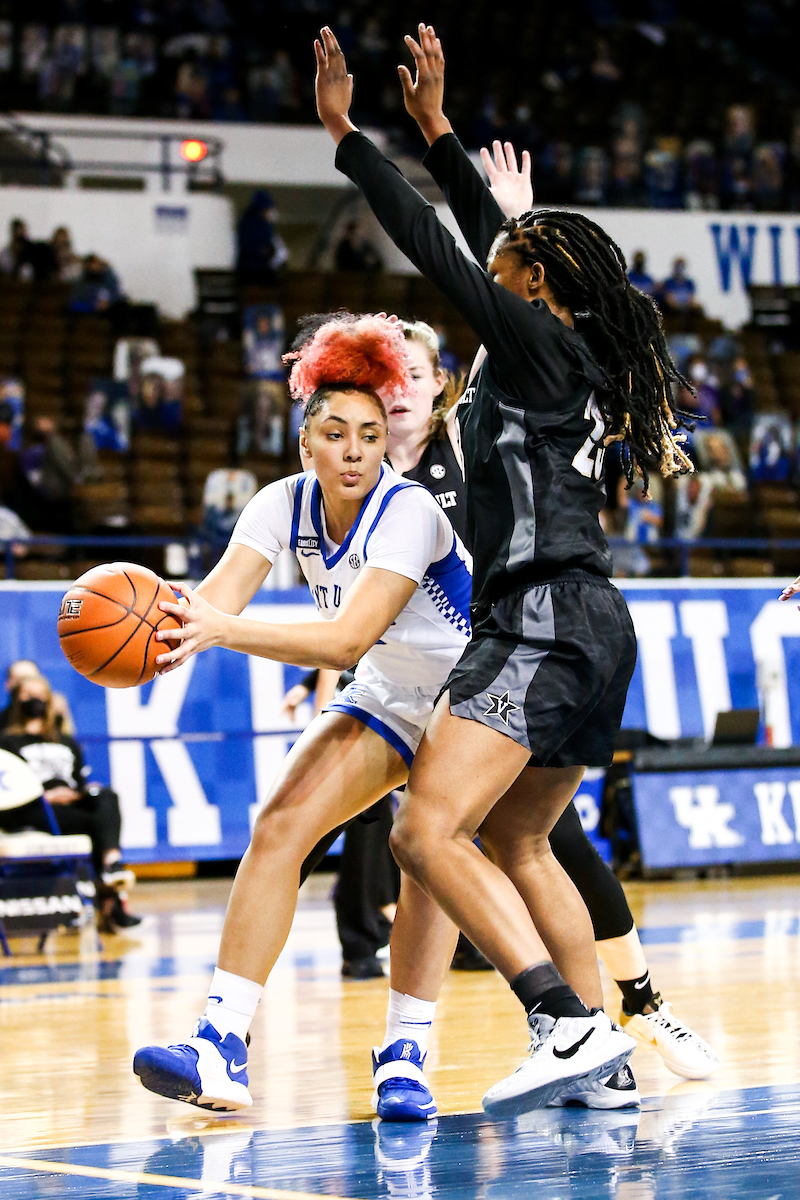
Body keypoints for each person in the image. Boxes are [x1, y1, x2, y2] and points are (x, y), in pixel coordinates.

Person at [315, 23, 709, 1117]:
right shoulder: (554, 341)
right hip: (586, 620)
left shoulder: (534, 343)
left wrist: (349, 140)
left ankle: (561, 1017)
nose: (489, 262)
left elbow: (442, 250)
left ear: (530, 281)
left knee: (422, 831)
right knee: (521, 835)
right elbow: (486, 234)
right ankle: (609, 1064)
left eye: (507, 261)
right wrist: (437, 127)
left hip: (537, 619)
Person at [132, 313, 474, 1111]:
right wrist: (143, 629)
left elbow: (344, 638)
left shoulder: (410, 510)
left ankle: (408, 1050)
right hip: (393, 688)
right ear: (306, 445)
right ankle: (220, 1040)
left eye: (370, 432)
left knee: (424, 850)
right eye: (335, 433)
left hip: (473, 691)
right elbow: (207, 605)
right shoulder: (278, 506)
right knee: (280, 821)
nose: (355, 449)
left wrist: (221, 631)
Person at [0, 673, 139, 930]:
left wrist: (80, 792)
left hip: (69, 801)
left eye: (41, 695)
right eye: (29, 696)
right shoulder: (7, 742)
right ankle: (111, 901)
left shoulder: (66, 742)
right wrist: (43, 795)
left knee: (106, 797)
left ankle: (112, 861)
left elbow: (77, 779)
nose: (36, 700)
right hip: (32, 806)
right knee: (96, 825)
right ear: (17, 701)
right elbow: (7, 788)